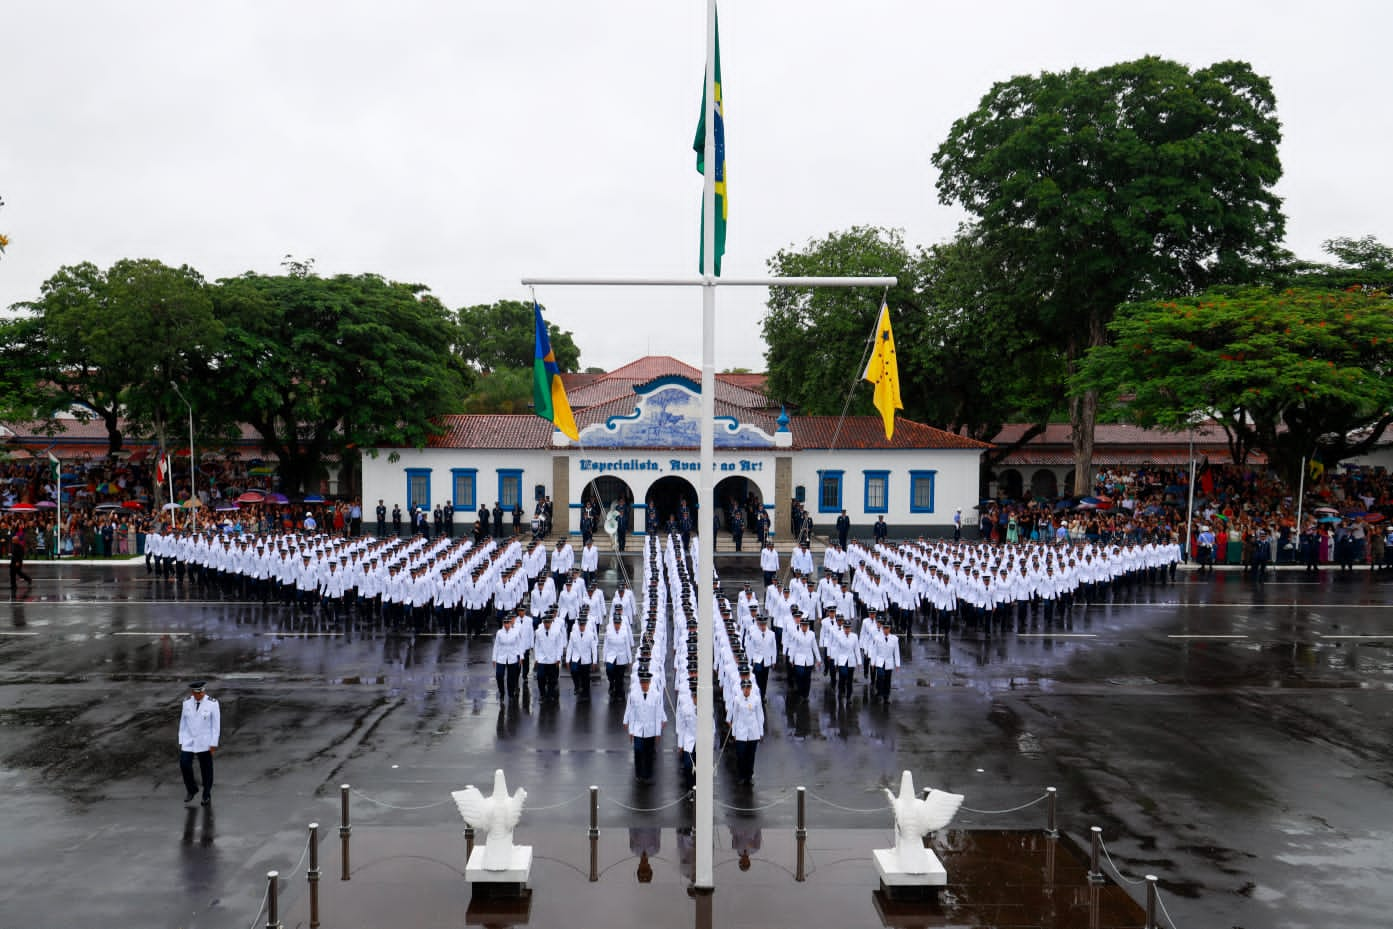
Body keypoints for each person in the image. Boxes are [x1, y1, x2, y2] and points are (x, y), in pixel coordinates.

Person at [178, 681, 220, 805]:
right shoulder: (186, 702)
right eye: (197, 693)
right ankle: (192, 789)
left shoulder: (212, 703)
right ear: (193, 693)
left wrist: (213, 743)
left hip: (205, 741)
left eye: (201, 692)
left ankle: (206, 794)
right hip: (189, 740)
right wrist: (181, 739)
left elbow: (215, 726)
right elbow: (183, 723)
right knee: (184, 764)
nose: (200, 695)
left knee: (206, 769)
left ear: (204, 691)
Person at [623, 670, 666, 783]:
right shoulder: (634, 695)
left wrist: (658, 733)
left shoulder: (656, 696)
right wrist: (631, 731)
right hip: (638, 728)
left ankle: (647, 775)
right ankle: (638, 774)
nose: (644, 685)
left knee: (648, 753)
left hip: (650, 730)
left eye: (646, 682)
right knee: (638, 751)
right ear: (640, 682)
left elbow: (657, 716)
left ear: (650, 682)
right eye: (642, 682)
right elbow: (632, 714)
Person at [729, 677, 764, 786]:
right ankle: (741, 775)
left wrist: (760, 732)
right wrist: (734, 732)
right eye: (744, 688)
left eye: (748, 688)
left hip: (753, 731)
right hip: (741, 731)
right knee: (740, 754)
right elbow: (735, 716)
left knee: (750, 755)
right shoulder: (737, 700)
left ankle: (749, 775)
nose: (746, 690)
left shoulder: (756, 699)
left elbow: (760, 715)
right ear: (741, 688)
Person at [9, 527, 33, 592]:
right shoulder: (13, 545)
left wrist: (18, 562)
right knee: (12, 573)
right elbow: (13, 554)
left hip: (17, 562)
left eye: (13, 540)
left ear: (17, 540)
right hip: (13, 562)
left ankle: (28, 579)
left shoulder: (20, 547)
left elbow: (20, 555)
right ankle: (13, 585)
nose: (12, 541)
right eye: (12, 540)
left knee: (18, 573)